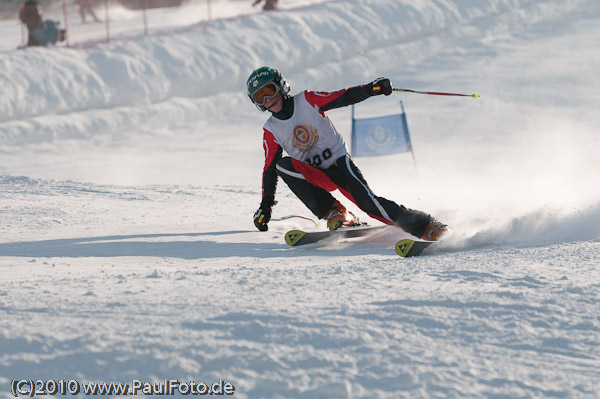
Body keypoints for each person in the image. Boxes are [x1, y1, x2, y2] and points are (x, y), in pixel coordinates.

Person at [247, 66, 448, 241]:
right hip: (316, 174)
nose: (267, 100)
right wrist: (266, 207)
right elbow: (269, 171)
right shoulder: (271, 129)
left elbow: (343, 96)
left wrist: (371, 89)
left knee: (369, 203)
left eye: (269, 91)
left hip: (339, 164)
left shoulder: (307, 100)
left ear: (281, 86)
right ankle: (335, 211)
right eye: (259, 97)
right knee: (283, 166)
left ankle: (428, 226)